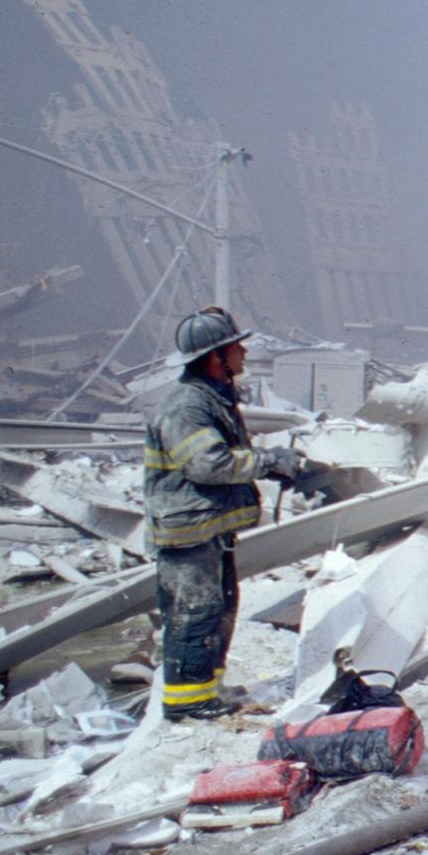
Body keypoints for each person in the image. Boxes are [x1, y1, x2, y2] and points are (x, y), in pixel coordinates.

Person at [145, 308, 307, 722]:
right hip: (187, 532)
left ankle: (208, 690)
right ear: (215, 356)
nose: (244, 352)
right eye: (237, 346)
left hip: (206, 529)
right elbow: (207, 465)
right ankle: (187, 703)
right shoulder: (186, 406)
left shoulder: (212, 396)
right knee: (195, 614)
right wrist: (269, 462)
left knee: (218, 609)